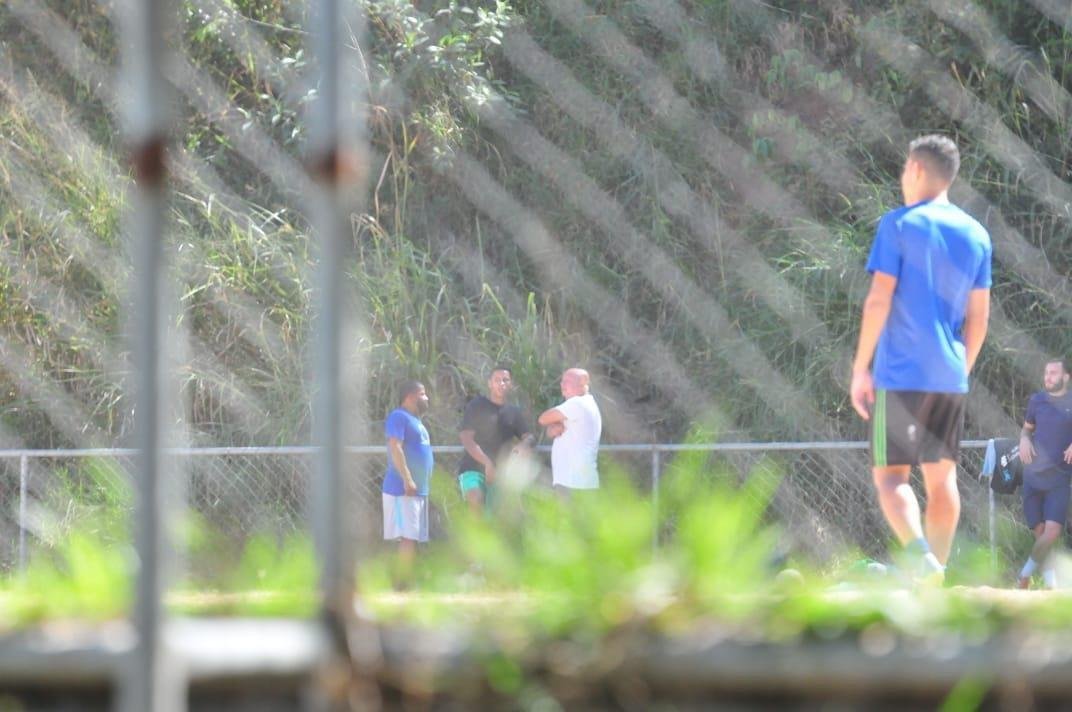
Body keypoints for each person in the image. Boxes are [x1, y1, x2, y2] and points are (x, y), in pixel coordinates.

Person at [850, 134, 992, 583]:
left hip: (900, 370)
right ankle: (939, 573)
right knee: (942, 480)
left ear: (914, 169)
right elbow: (979, 319)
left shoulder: (898, 225)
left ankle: (923, 562)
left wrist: (859, 368)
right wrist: (960, 369)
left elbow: (878, 300)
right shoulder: (977, 234)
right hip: (949, 373)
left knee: (891, 478)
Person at [1016, 359, 1072, 589]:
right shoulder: (1036, 400)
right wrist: (1023, 440)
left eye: (1053, 373)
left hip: (1059, 477)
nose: (1047, 377)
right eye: (1046, 373)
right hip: (1032, 476)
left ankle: (1024, 574)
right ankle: (1051, 584)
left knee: (1051, 532)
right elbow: (1027, 429)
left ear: (1066, 377)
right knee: (1040, 534)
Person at [457, 367, 535, 514]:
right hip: (473, 468)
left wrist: (524, 445)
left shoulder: (514, 412)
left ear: (511, 384)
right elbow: (466, 438)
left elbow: (529, 436)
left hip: (501, 474)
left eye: (505, 380)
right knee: (476, 500)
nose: (501, 384)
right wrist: (487, 463)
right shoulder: (477, 405)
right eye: (497, 380)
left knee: (504, 516)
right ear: (489, 383)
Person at [382, 380, 433, 580]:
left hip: (417, 489)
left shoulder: (416, 421)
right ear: (411, 397)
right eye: (423, 394)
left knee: (411, 536)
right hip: (402, 488)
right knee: (407, 537)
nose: (427, 398)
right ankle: (402, 582)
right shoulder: (399, 416)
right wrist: (408, 478)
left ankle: (405, 578)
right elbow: (395, 447)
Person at [537, 368, 602, 496]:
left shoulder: (577, 403)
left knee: (568, 517)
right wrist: (554, 427)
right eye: (562, 382)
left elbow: (543, 418)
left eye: (567, 381)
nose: (562, 385)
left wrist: (553, 424)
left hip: (573, 485)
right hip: (576, 483)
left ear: (582, 384)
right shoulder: (583, 404)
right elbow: (551, 431)